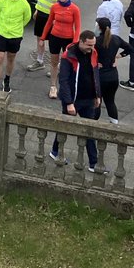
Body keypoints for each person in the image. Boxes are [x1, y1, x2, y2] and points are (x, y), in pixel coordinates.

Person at [49, 31, 103, 172]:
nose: (91, 48)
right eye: (89, 45)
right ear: (81, 41)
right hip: (73, 100)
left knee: (89, 131)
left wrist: (97, 95)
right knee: (64, 127)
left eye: (93, 45)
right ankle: (55, 151)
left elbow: (95, 74)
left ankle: (93, 163)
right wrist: (68, 102)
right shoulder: (68, 56)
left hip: (88, 99)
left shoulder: (93, 53)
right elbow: (64, 81)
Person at [40, 0, 81, 100]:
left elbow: (77, 27)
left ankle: (67, 88)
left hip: (68, 39)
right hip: (54, 37)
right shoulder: (54, 7)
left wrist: (75, 42)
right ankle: (53, 87)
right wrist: (42, 38)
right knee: (54, 62)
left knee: (67, 64)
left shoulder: (74, 9)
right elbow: (49, 23)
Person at [0, 0, 32, 92]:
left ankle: (7, 80)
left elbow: (27, 18)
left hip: (15, 35)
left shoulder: (24, 3)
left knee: (11, 58)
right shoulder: (2, 0)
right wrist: (3, 24)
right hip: (1, 32)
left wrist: (18, 27)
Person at [26, 0, 64, 73]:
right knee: (40, 39)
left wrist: (56, 20)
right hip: (41, 15)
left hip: (51, 18)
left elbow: (61, 6)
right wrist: (37, 10)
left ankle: (56, 68)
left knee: (54, 44)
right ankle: (40, 61)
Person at [95, 16, 131, 123]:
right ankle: (114, 125)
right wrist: (118, 56)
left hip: (100, 77)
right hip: (113, 76)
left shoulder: (96, 41)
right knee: (110, 102)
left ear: (99, 28)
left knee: (97, 101)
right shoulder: (116, 39)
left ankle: (93, 125)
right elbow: (130, 48)